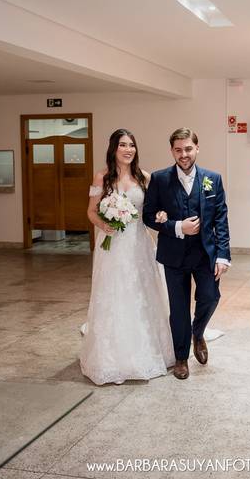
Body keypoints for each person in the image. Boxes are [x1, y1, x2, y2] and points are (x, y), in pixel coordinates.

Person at [79, 129, 175, 385]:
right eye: (122, 145)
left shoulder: (145, 177)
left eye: (131, 145)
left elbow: (157, 209)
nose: (128, 149)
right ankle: (111, 356)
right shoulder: (102, 177)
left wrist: (162, 215)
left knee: (142, 293)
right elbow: (91, 211)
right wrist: (103, 224)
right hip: (111, 246)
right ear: (113, 149)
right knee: (113, 294)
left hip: (138, 243)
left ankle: (148, 348)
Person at [143, 128, 231, 380]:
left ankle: (198, 332)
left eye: (188, 149)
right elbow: (148, 216)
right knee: (179, 308)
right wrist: (177, 227)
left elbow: (221, 219)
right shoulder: (160, 179)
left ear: (197, 148)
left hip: (205, 254)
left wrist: (223, 255)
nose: (184, 154)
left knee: (210, 296)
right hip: (173, 255)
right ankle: (181, 357)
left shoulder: (213, 179)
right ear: (172, 151)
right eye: (178, 150)